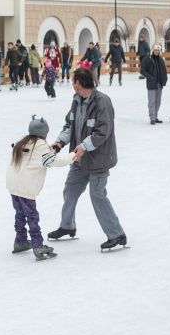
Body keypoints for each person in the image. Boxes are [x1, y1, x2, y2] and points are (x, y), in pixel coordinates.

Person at [46, 67, 128, 251]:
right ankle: (67, 226)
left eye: (73, 81)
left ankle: (117, 234)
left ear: (80, 83)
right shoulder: (77, 100)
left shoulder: (102, 101)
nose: (72, 83)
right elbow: (70, 125)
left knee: (97, 195)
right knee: (70, 190)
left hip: (99, 159)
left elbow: (103, 131)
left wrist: (84, 146)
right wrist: (59, 143)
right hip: (79, 159)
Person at [7, 115, 75, 261]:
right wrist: (73, 156)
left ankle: (20, 241)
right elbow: (54, 162)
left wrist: (50, 151)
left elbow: (37, 156)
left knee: (20, 214)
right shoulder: (40, 145)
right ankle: (38, 245)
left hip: (13, 184)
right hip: (26, 186)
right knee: (32, 216)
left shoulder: (22, 140)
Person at [141, 44, 168, 125]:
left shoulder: (161, 59)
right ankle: (152, 118)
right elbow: (142, 71)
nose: (156, 52)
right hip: (152, 84)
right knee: (152, 101)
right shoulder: (147, 59)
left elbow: (164, 70)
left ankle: (155, 116)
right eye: (155, 50)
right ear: (152, 51)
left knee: (158, 102)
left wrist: (165, 79)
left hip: (160, 83)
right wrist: (150, 77)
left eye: (158, 50)